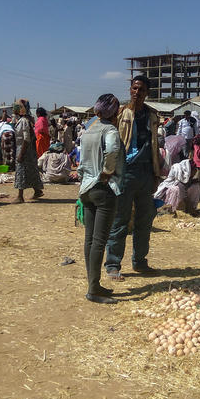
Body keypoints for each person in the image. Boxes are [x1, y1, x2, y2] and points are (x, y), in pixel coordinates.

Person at [105, 75, 161, 280]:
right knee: (119, 220)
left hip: (146, 173)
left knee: (144, 221)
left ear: (147, 93)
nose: (137, 92)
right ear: (130, 90)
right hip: (124, 172)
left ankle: (140, 262)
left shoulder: (152, 116)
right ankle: (112, 264)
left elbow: (156, 146)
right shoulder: (120, 113)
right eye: (134, 88)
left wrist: (156, 173)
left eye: (141, 89)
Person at [78, 94, 124, 304]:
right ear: (114, 111)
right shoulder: (109, 130)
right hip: (103, 188)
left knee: (89, 240)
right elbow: (113, 149)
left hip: (86, 189)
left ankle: (93, 284)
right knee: (99, 241)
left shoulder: (88, 129)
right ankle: (93, 289)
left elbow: (81, 158)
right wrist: (107, 171)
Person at [13, 98, 43, 202]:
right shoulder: (23, 120)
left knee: (21, 170)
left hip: (23, 148)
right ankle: (37, 190)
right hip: (26, 148)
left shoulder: (24, 121)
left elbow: (26, 138)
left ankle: (20, 196)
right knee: (30, 170)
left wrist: (21, 154)